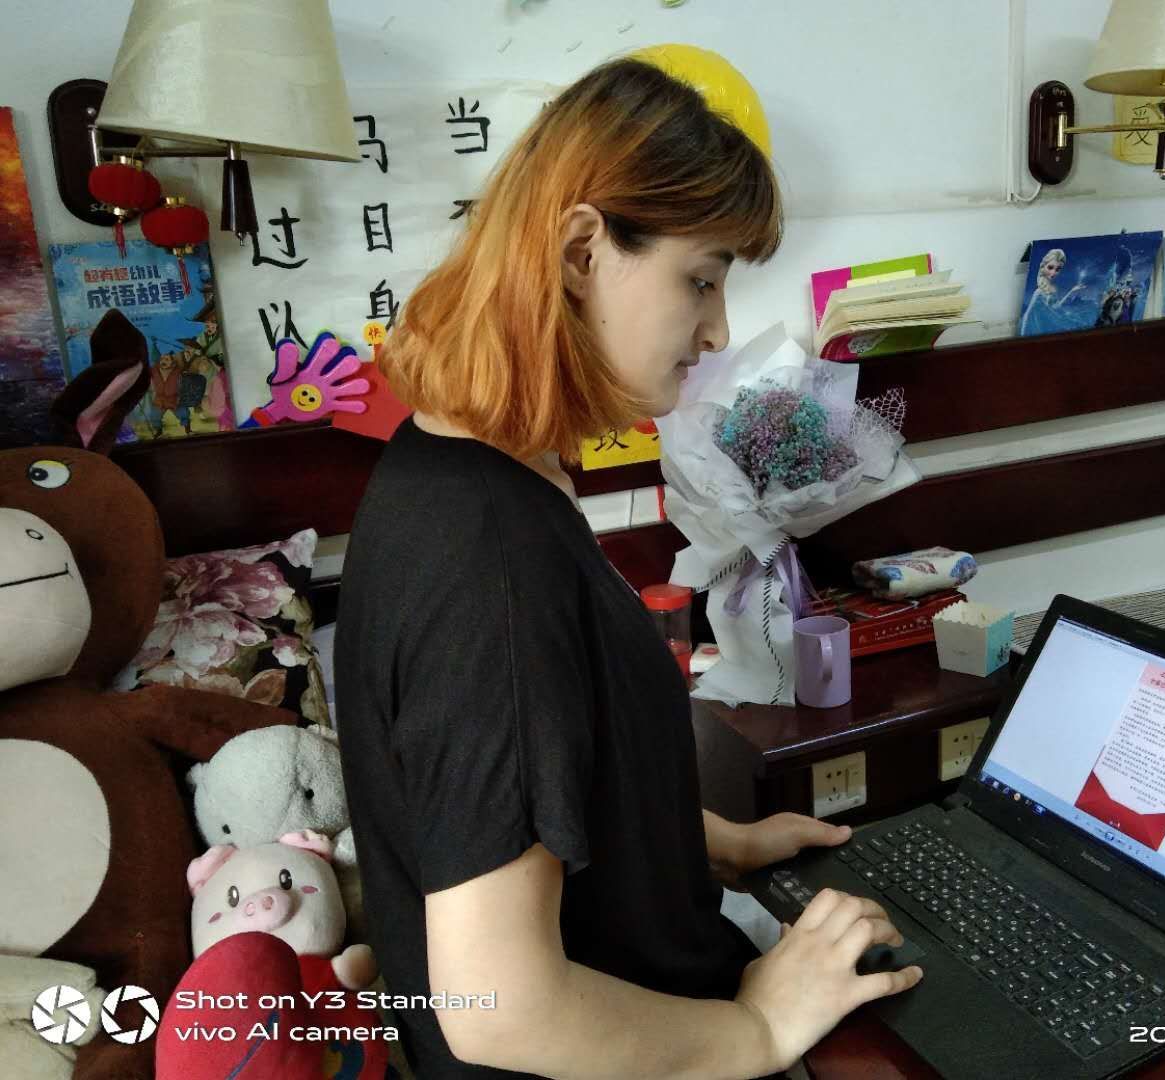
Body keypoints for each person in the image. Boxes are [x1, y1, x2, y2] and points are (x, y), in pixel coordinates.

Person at [334, 56, 922, 1080]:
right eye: (702, 278)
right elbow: (498, 1010)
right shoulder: (488, 560)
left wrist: (701, 840)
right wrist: (757, 1033)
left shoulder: (464, 464)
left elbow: (520, 785)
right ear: (579, 252)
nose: (719, 329)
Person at [1019, 247, 1089, 335]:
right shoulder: (1038, 292)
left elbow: (1056, 306)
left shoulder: (1054, 289)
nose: (1053, 273)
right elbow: (1027, 315)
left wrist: (1072, 291)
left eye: (1057, 269)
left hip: (1049, 327)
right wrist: (1022, 335)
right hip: (1040, 329)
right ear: (1043, 266)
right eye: (1050, 267)